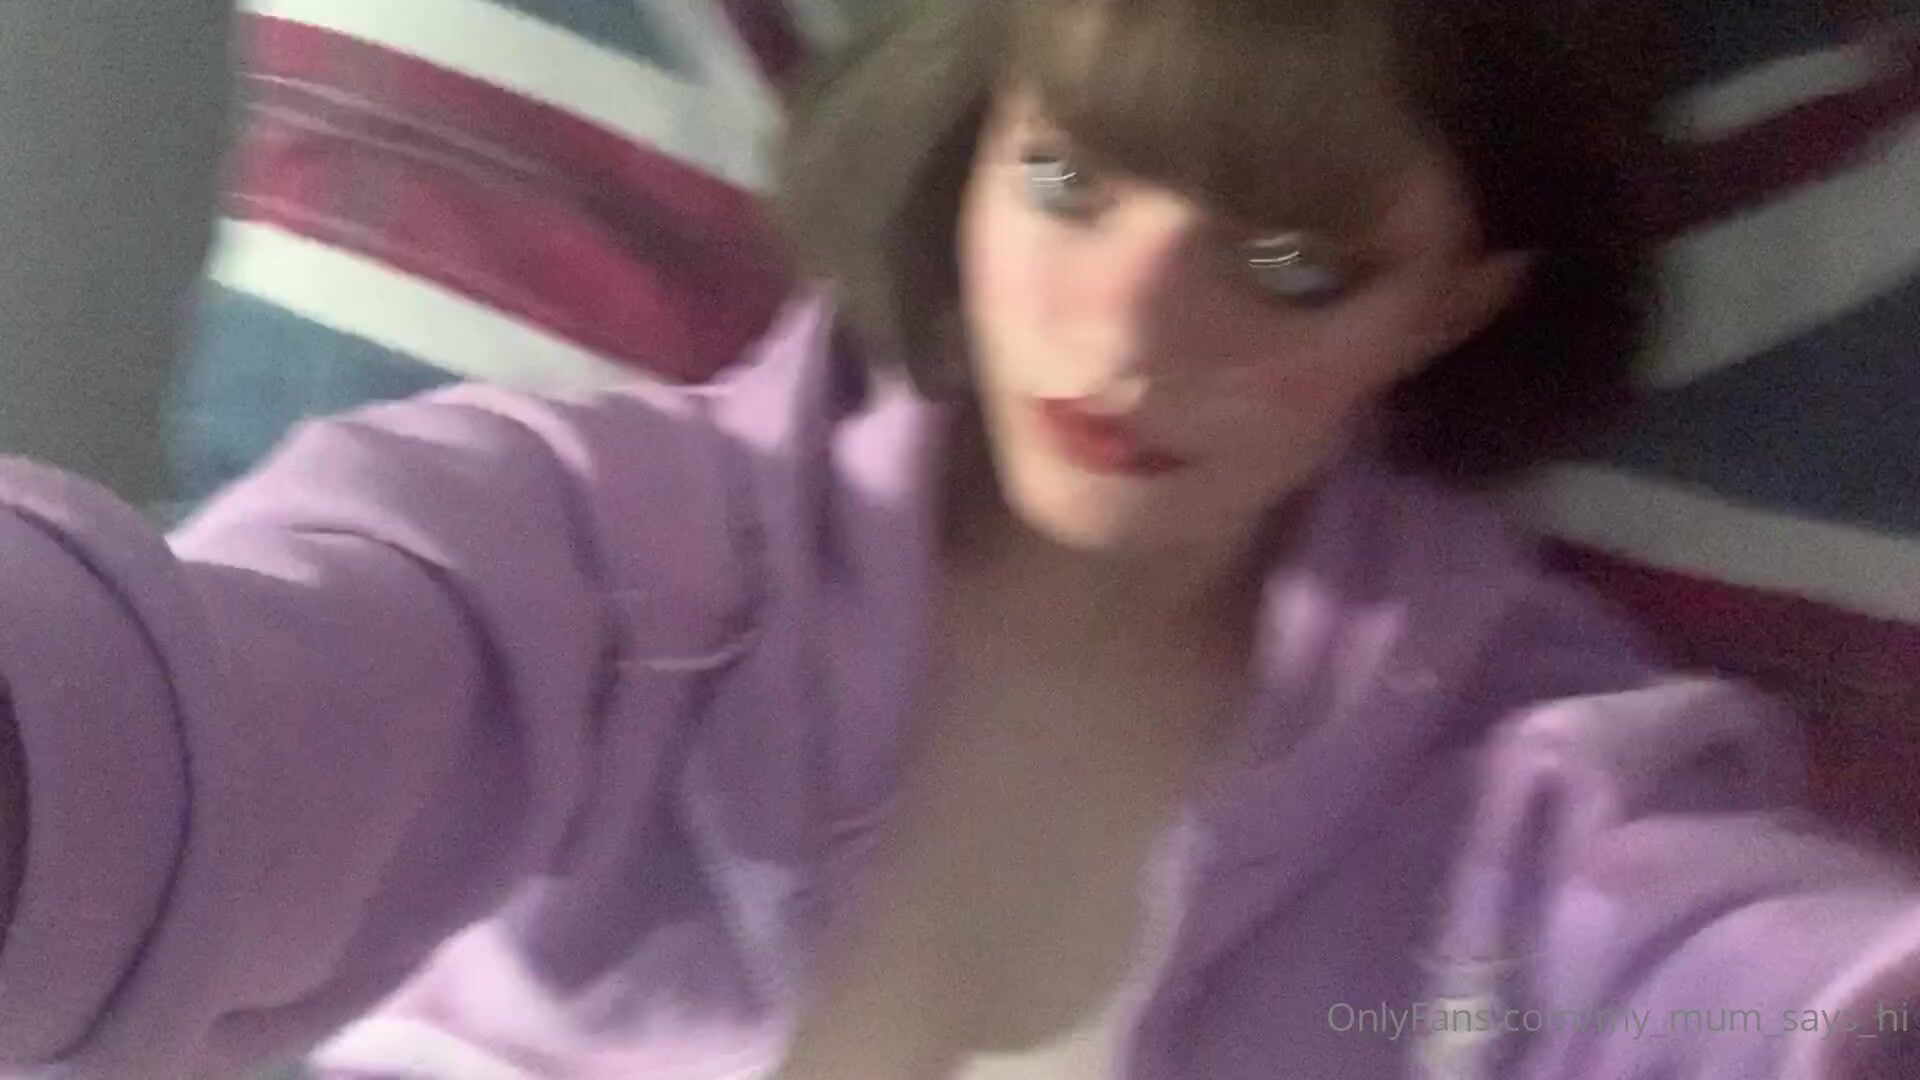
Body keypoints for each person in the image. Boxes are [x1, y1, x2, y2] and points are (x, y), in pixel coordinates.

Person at [0, 0, 1916, 1077]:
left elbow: (1711, 974)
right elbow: (242, 706)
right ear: (970, 140)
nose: (1126, 334)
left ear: (1456, 304)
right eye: (1067, 179)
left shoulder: (1514, 787)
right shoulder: (616, 560)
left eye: (1288, 264)